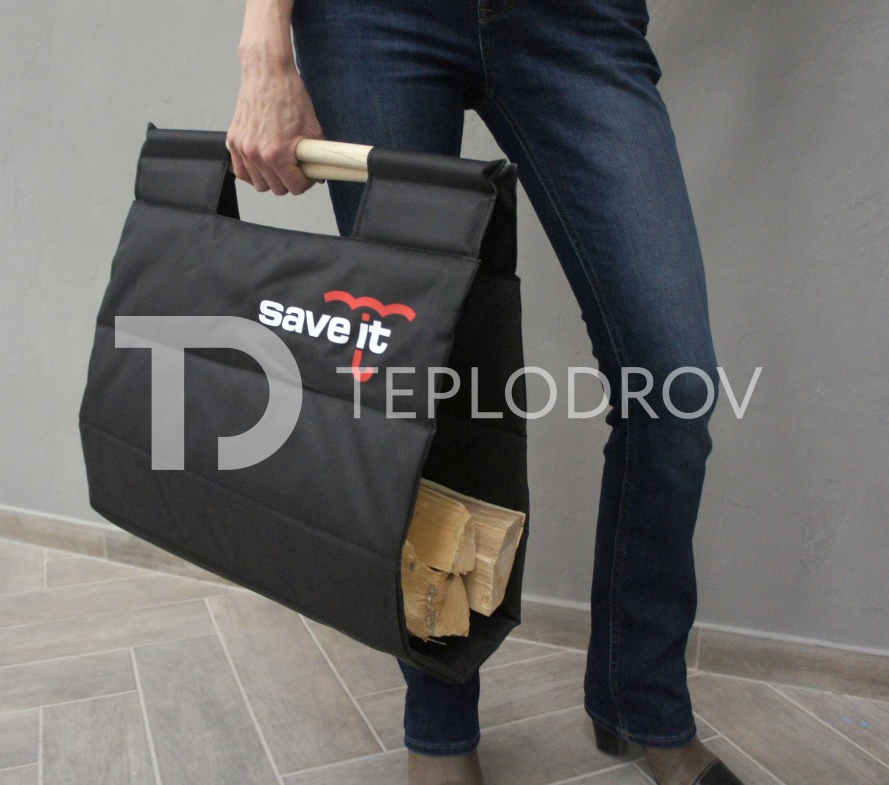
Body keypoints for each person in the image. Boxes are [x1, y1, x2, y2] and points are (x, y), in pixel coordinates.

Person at [227, 2, 745, 784]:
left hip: (577, 21)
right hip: (374, 20)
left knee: (674, 384)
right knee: (416, 391)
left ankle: (643, 701)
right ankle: (440, 731)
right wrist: (263, 44)